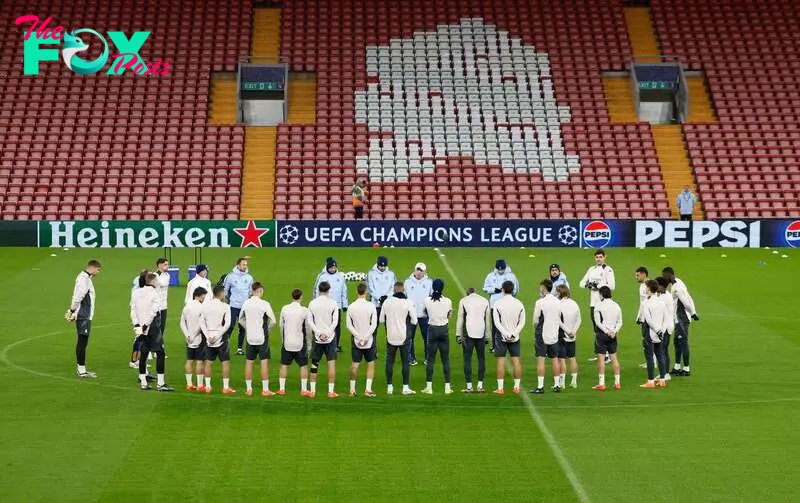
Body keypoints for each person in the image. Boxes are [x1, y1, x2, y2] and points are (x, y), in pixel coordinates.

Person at [131, 273, 173, 391]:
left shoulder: (136, 292)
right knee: (160, 353)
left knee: (144, 354)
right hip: (152, 328)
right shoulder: (154, 294)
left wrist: (137, 325)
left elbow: (133, 310)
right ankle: (160, 383)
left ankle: (143, 382)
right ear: (152, 282)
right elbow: (153, 312)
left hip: (139, 327)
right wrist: (145, 326)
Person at [239, 282, 277, 396]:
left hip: (250, 337)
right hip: (261, 338)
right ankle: (265, 390)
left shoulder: (246, 303)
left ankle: (249, 389)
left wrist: (248, 328)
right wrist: (267, 331)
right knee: (264, 363)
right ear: (259, 290)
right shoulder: (264, 304)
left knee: (249, 363)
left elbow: (240, 319)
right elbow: (273, 321)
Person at [380, 282, 418, 395]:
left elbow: (381, 320)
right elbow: (415, 321)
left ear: (394, 290)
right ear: (403, 290)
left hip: (391, 335)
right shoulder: (407, 303)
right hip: (404, 336)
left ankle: (389, 387)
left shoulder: (387, 302)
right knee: (405, 362)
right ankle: (405, 388)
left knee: (389, 361)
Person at [579, 249, 615, 363]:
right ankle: (601, 353)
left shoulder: (608, 270)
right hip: (593, 304)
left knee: (605, 327)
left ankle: (608, 355)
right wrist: (588, 285)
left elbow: (612, 286)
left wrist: (598, 286)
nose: (598, 259)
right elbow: (581, 283)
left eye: (600, 257)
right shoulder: (591, 269)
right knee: (597, 329)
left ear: (605, 257)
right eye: (597, 257)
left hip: (604, 304)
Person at [662, 267, 699, 377]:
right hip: (678, 318)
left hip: (682, 318)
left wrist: (693, 313)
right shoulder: (677, 283)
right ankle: (677, 367)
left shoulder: (677, 287)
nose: (664, 278)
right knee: (677, 342)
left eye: (664, 275)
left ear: (670, 274)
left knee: (683, 342)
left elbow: (685, 301)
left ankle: (686, 369)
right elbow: (689, 297)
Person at [67, 259, 101, 378]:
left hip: (84, 314)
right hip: (83, 315)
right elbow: (78, 296)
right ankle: (81, 370)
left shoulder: (85, 278)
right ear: (93, 267)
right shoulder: (84, 279)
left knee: (83, 341)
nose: (98, 272)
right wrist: (72, 311)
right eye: (98, 270)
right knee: (82, 341)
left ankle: (82, 369)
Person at [307, 281, 340, 398]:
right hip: (330, 338)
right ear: (328, 290)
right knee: (331, 364)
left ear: (318, 290)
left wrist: (318, 333)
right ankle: (331, 391)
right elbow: (335, 321)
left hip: (317, 338)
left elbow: (310, 321)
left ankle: (312, 391)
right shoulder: (333, 303)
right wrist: (327, 333)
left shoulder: (312, 303)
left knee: (314, 364)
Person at [492, 280, 525, 395]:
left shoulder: (497, 303)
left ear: (502, 290)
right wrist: (514, 334)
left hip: (501, 336)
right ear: (513, 290)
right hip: (515, 337)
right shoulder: (519, 303)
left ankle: (500, 388)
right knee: (516, 360)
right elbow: (522, 322)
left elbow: (496, 322)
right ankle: (516, 387)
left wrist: (505, 333)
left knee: (501, 360)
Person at [455, 287, 491, 393]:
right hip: (481, 332)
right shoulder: (484, 300)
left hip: (468, 334)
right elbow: (487, 320)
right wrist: (488, 335)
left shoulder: (464, 301)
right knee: (481, 358)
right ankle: (480, 385)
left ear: (467, 293)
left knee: (467, 359)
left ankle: (469, 386)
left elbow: (460, 318)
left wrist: (458, 334)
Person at [346, 283, 378, 397]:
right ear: (366, 292)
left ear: (356, 292)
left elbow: (349, 325)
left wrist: (358, 337)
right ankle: (368, 389)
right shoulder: (371, 306)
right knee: (370, 363)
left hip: (356, 340)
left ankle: (352, 390)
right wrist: (365, 337)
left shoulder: (351, 306)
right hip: (369, 339)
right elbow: (373, 325)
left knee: (355, 364)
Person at [532, 279, 563, 394]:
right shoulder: (558, 302)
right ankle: (557, 385)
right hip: (554, 333)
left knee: (541, 359)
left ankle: (540, 386)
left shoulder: (540, 302)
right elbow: (559, 316)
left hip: (542, 333)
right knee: (555, 359)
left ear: (543, 288)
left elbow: (536, 320)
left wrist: (536, 328)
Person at [422, 279, 453, 395]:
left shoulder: (427, 300)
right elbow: (449, 315)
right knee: (445, 359)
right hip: (443, 329)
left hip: (432, 329)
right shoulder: (448, 301)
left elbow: (425, 313)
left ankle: (429, 387)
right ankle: (447, 387)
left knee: (430, 359)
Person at [201, 285, 234, 394]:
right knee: (224, 362)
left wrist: (207, 336)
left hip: (209, 336)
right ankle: (225, 387)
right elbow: (227, 324)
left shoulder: (205, 305)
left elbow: (201, 322)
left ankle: (208, 386)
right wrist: (218, 336)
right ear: (220, 294)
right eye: (224, 292)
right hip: (221, 337)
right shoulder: (225, 306)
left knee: (209, 362)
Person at [279, 289, 311, 396]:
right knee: (303, 366)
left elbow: (281, 326)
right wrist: (309, 343)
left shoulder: (285, 308)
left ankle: (282, 389)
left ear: (292, 297)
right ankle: (304, 389)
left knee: (284, 365)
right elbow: (307, 328)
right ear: (301, 297)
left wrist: (283, 340)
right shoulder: (304, 310)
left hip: (287, 342)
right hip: (300, 342)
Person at [313, 257, 348, 352]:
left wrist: (345, 304)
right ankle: (323, 341)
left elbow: (344, 290)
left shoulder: (340, 276)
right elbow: (316, 290)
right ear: (327, 268)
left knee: (337, 325)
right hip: (325, 306)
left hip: (337, 306)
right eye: (331, 268)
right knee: (325, 323)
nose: (333, 269)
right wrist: (317, 302)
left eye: (334, 267)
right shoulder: (322, 277)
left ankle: (336, 345)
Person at [483, 259, 519, 351]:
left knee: (507, 324)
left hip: (507, 305)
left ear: (505, 267)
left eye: (502, 269)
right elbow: (485, 288)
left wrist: (509, 295)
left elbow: (516, 290)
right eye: (499, 269)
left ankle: (509, 343)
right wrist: (494, 290)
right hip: (494, 305)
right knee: (495, 326)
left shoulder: (511, 276)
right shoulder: (490, 276)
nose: (500, 271)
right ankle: (495, 346)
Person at [592, 286, 622, 391]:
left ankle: (601, 383)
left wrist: (606, 331)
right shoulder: (616, 305)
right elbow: (620, 322)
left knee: (601, 359)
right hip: (613, 335)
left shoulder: (598, 306)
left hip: (602, 335)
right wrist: (613, 331)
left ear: (601, 294)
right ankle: (617, 383)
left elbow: (598, 322)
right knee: (614, 358)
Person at [641, 280, 669, 388]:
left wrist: (656, 330)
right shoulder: (661, 302)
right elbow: (666, 318)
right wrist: (661, 330)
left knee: (649, 357)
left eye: (646, 287)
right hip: (661, 332)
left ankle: (651, 381)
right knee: (660, 355)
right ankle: (662, 380)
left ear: (649, 289)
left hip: (650, 332)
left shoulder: (646, 303)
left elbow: (648, 319)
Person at [224, 257, 253, 356]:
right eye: (243, 264)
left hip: (244, 307)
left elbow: (250, 292)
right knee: (230, 326)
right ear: (238, 265)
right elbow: (225, 290)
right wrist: (228, 301)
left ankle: (240, 349)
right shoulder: (230, 276)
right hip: (233, 306)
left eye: (246, 265)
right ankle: (225, 347)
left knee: (242, 328)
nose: (245, 266)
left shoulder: (249, 277)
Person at [404, 262, 432, 365]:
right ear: (415, 269)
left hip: (424, 315)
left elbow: (432, 297)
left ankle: (428, 357)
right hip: (411, 315)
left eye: (421, 270)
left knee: (427, 338)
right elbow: (404, 297)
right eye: (418, 270)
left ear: (424, 272)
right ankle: (411, 358)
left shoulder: (429, 282)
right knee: (410, 338)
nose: (419, 272)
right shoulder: (407, 282)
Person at [180, 286, 208, 391]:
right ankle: (200, 385)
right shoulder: (201, 308)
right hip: (199, 337)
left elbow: (182, 323)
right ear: (200, 296)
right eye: (204, 295)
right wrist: (194, 335)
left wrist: (187, 335)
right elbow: (201, 324)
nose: (204, 298)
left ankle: (189, 384)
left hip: (189, 339)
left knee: (189, 360)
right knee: (200, 361)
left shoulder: (186, 307)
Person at [556, 285, 581, 389]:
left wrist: (567, 331)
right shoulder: (574, 303)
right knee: (572, 358)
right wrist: (573, 332)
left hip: (562, 335)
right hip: (572, 335)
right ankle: (574, 382)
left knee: (561, 359)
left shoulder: (558, 304)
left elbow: (558, 320)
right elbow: (579, 319)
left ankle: (562, 383)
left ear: (560, 293)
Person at [367, 255, 396, 339]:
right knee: (373, 327)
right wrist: (379, 298)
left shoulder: (391, 274)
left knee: (389, 328)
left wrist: (386, 297)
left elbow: (393, 288)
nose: (382, 267)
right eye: (381, 266)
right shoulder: (371, 274)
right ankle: (371, 348)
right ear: (377, 264)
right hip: (375, 305)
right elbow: (370, 289)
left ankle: (390, 347)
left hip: (388, 305)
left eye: (384, 266)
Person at [655, 276, 675, 380]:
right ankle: (665, 373)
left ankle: (665, 374)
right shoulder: (665, 295)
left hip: (665, 328)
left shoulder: (664, 297)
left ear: (662, 286)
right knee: (664, 350)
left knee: (662, 351)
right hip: (668, 326)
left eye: (657, 285)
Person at [129, 269, 149, 369]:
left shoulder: (139, 290)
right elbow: (134, 308)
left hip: (143, 319)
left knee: (143, 340)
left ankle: (140, 361)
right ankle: (133, 361)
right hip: (138, 320)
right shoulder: (137, 292)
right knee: (138, 339)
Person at [635, 266, 653, 370]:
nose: (636, 277)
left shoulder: (645, 286)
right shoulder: (647, 284)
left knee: (648, 340)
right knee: (648, 339)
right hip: (646, 316)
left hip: (647, 317)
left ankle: (651, 361)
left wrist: (640, 317)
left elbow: (645, 303)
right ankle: (649, 361)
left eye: (638, 275)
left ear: (643, 274)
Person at [154, 258, 171, 349]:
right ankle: (152, 348)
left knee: (162, 327)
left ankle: (158, 347)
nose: (167, 266)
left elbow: (163, 284)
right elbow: (162, 284)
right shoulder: (154, 276)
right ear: (159, 265)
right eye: (165, 264)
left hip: (164, 305)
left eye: (167, 264)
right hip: (155, 306)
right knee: (155, 328)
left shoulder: (167, 275)